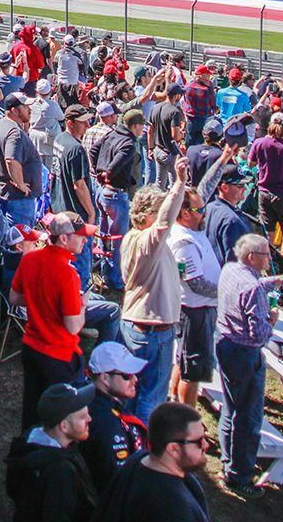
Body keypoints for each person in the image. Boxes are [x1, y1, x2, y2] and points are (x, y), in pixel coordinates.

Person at [214, 232, 283, 498]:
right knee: (249, 417)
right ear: (252, 257)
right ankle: (240, 476)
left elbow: (257, 284)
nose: (270, 258)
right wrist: (272, 319)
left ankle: (228, 460)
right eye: (267, 254)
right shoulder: (251, 288)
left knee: (231, 408)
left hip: (225, 346)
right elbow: (260, 335)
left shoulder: (231, 270)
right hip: (245, 354)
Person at [10, 213, 96, 430]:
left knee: (32, 412)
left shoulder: (30, 259)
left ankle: (28, 446)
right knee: (60, 421)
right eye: (81, 236)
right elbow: (73, 326)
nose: (85, 241)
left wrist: (40, 299)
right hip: (59, 355)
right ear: (64, 238)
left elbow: (14, 298)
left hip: (32, 347)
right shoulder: (68, 274)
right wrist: (82, 305)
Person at [119, 157, 189, 424]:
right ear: (148, 215)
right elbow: (163, 224)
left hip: (137, 327)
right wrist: (179, 183)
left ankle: (128, 441)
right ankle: (145, 445)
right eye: (158, 213)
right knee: (150, 400)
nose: (167, 220)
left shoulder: (132, 239)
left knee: (130, 395)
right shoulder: (147, 242)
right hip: (152, 333)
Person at [93, 402, 212, 522]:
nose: (206, 445)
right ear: (173, 449)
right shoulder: (174, 509)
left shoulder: (138, 460)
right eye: (199, 441)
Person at [3, 382, 97, 522]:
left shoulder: (27, 443)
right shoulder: (60, 471)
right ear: (64, 426)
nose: (90, 419)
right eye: (83, 417)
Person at [168, 187, 220, 407]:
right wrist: (226, 292)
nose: (205, 212)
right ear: (185, 213)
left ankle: (173, 400)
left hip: (198, 311)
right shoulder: (184, 243)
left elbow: (207, 184)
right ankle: (186, 415)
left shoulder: (192, 230)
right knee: (193, 372)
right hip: (195, 312)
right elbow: (196, 284)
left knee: (182, 360)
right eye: (200, 209)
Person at [82, 341, 148, 494]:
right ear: (105, 378)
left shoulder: (98, 400)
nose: (135, 379)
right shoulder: (106, 423)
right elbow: (116, 482)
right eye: (127, 375)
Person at [95, 108, 147, 292]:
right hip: (115, 194)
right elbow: (114, 166)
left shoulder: (112, 134)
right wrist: (107, 174)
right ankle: (116, 280)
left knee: (105, 236)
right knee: (118, 241)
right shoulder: (129, 144)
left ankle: (105, 273)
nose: (143, 130)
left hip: (102, 192)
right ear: (135, 126)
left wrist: (97, 172)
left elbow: (94, 150)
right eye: (142, 126)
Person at [52, 105, 98, 291]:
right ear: (70, 123)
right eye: (83, 122)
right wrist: (91, 212)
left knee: (63, 262)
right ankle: (79, 299)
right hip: (75, 215)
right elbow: (79, 184)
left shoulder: (60, 140)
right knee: (81, 266)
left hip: (60, 207)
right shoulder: (76, 148)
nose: (88, 125)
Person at [0, 91, 45, 236]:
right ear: (14, 110)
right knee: (19, 239)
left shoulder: (1, 123)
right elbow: (11, 160)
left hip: (6, 192)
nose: (29, 110)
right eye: (25, 107)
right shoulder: (14, 133)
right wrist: (21, 185)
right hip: (18, 198)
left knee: (4, 234)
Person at [248, 117, 283, 238]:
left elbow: (250, 163)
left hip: (265, 192)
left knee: (268, 233)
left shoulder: (259, 143)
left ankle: (270, 251)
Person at [203, 165, 255, 266]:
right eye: (240, 185)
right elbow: (235, 264)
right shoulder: (232, 221)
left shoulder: (209, 208)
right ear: (225, 187)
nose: (245, 188)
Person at [147, 84, 186, 190]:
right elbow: (175, 136)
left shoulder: (155, 107)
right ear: (177, 96)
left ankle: (157, 200)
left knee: (159, 183)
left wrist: (150, 148)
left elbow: (150, 131)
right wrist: (182, 133)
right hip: (170, 153)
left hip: (158, 150)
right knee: (175, 185)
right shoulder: (174, 112)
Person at [29, 78, 64, 172]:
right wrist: (56, 103)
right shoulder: (52, 105)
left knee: (37, 167)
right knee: (49, 167)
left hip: (34, 136)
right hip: (48, 137)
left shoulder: (31, 103)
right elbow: (61, 117)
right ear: (49, 91)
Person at [182, 65, 216, 147]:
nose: (209, 77)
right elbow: (213, 105)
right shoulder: (207, 89)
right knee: (201, 142)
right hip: (203, 118)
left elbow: (184, 101)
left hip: (191, 118)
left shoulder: (188, 87)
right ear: (202, 76)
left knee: (190, 141)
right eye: (207, 74)